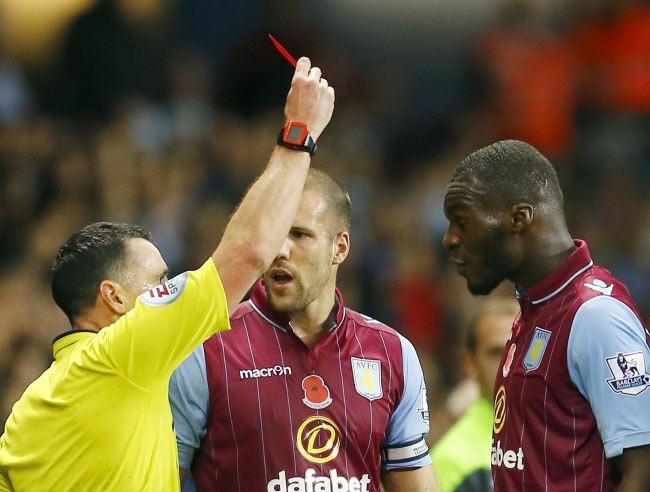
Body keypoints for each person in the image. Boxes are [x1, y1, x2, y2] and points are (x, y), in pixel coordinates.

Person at [0, 57, 335, 491]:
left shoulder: (30, 408)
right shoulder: (122, 355)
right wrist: (300, 132)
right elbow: (251, 250)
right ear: (115, 298)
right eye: (160, 281)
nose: (170, 288)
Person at [169, 168, 438, 492]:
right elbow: (162, 480)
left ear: (340, 248)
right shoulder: (208, 348)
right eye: (273, 235)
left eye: (299, 235)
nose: (280, 251)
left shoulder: (392, 353)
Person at [442, 139, 650, 491]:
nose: (450, 239)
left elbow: (642, 469)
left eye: (463, 222)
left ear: (519, 219)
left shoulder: (594, 315)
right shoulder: (534, 311)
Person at [431, 299, 517, 492]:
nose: (509, 364)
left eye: (520, 349)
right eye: (496, 352)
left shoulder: (567, 434)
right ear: (470, 363)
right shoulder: (453, 460)